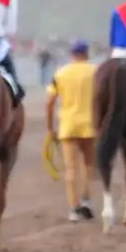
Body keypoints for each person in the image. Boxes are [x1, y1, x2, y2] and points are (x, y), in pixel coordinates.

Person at [45, 40, 98, 221]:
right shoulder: (95, 72)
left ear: (72, 54)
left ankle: (74, 208)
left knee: (70, 168)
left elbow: (49, 102)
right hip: (90, 124)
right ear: (86, 53)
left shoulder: (61, 73)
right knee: (89, 165)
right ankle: (86, 200)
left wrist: (50, 128)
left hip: (68, 125)